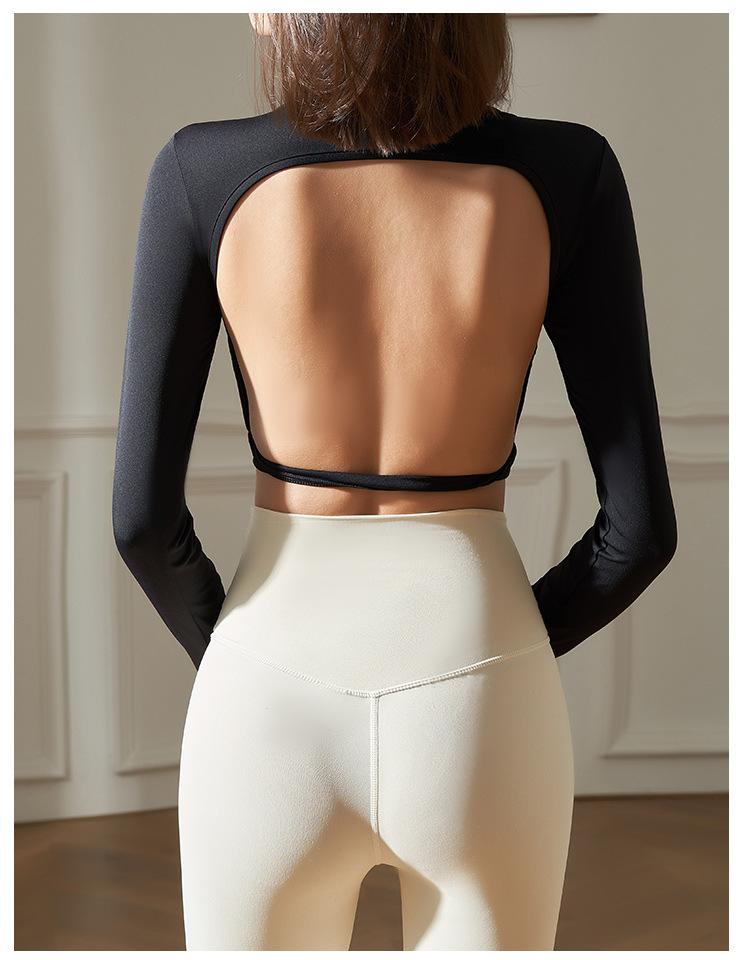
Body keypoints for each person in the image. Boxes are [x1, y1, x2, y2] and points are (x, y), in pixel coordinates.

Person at [112, 12, 678, 951]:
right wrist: (508, 647)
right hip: (482, 689)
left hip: (265, 688)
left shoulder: (198, 170)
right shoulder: (569, 171)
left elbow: (140, 519)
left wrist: (236, 652)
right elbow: (642, 530)